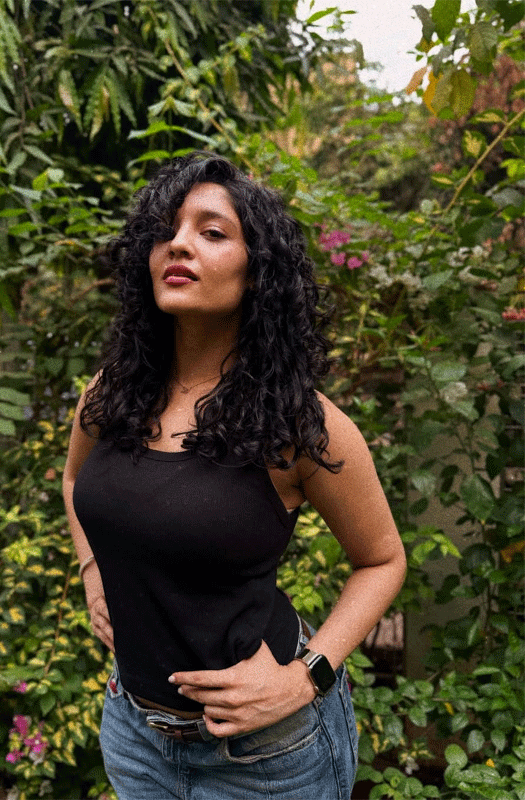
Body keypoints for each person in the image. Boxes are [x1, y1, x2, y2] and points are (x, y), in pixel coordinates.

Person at [62, 152, 406, 800]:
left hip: (268, 758)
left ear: (258, 273)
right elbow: (75, 483)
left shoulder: (299, 424)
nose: (178, 243)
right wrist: (91, 571)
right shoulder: (113, 394)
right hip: (134, 736)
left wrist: (305, 677)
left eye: (212, 231)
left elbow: (383, 560)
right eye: (165, 230)